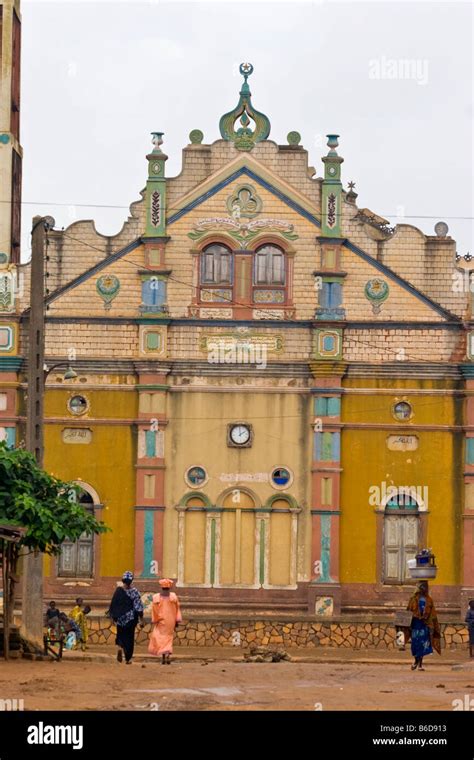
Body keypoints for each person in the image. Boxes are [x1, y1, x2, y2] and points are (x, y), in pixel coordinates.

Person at [108, 571, 144, 664]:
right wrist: (141, 619)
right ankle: (128, 658)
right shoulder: (134, 592)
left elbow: (113, 605)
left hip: (120, 619)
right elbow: (138, 606)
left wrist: (112, 617)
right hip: (131, 619)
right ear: (131, 581)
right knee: (129, 638)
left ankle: (120, 647)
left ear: (122, 580)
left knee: (120, 635)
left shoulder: (118, 591)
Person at [407, 581, 441, 670]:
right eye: (422, 587)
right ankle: (415, 661)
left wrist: (433, 625)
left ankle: (420, 665)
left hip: (424, 625)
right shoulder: (413, 599)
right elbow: (408, 612)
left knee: (423, 645)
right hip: (415, 625)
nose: (423, 589)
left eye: (425, 588)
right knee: (415, 645)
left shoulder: (429, 600)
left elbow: (433, 614)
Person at [148, 578, 182, 665]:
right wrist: (177, 621)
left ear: (161, 587)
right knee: (168, 637)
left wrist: (155, 620)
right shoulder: (173, 597)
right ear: (169, 587)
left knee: (160, 637)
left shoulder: (156, 598)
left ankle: (163, 656)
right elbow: (177, 609)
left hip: (161, 621)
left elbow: (154, 611)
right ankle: (168, 656)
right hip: (170, 622)